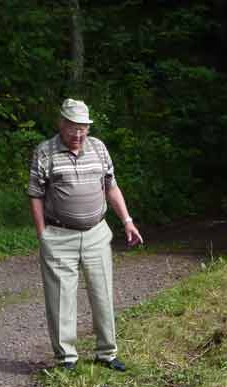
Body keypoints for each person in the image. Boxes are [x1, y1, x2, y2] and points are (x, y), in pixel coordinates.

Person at [27, 98, 143, 371]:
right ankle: (67, 358)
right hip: (58, 234)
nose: (78, 134)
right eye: (73, 128)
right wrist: (42, 234)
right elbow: (35, 195)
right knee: (60, 298)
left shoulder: (99, 148)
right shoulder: (45, 152)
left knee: (102, 293)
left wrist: (127, 220)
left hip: (96, 234)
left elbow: (111, 187)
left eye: (83, 128)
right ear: (61, 124)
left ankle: (107, 353)